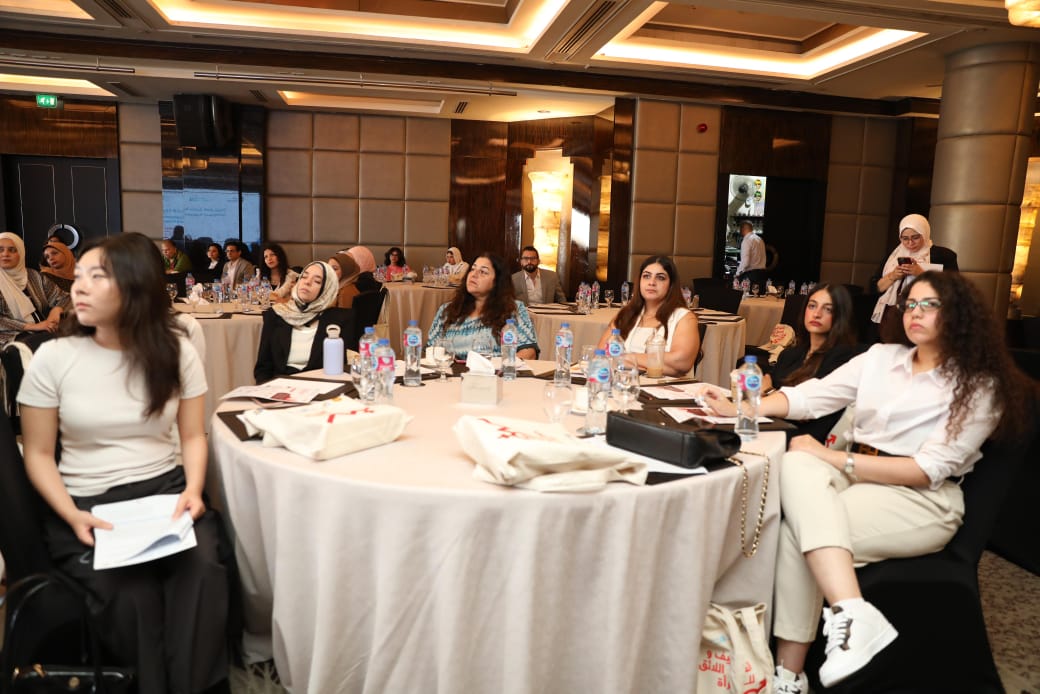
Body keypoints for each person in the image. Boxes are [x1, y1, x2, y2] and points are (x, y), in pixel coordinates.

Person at [703, 271, 1026, 693]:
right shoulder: (881, 359)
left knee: (798, 533)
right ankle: (852, 615)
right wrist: (741, 408)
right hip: (853, 479)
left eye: (930, 305)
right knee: (797, 461)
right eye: (910, 304)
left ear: (959, 315)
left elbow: (925, 469)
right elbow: (810, 397)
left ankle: (789, 676)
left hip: (921, 499)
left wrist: (834, 458)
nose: (915, 313)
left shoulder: (979, 386)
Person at [17, 232, 229, 694]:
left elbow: (193, 435)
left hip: (165, 493)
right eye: (78, 277)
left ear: (135, 286)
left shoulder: (175, 351)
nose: (79, 287)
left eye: (97, 276)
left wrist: (193, 491)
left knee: (203, 573)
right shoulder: (54, 358)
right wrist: (71, 514)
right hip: (86, 502)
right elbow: (37, 453)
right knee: (133, 597)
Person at [759, 284, 865, 442]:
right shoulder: (790, 354)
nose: (817, 314)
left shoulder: (844, 357)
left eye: (828, 309)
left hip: (805, 439)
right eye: (812, 306)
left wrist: (768, 391)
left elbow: (807, 412)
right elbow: (765, 383)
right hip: (771, 427)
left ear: (840, 316)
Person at [596, 255, 700, 377]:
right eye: (646, 276)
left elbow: (681, 362)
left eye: (660, 278)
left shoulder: (684, 318)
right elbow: (601, 355)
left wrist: (628, 358)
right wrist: (658, 365)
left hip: (666, 387)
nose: (651, 282)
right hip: (624, 385)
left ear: (671, 285)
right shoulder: (625, 315)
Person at [254, 261, 354, 383]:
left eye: (317, 281)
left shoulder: (340, 320)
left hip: (321, 385)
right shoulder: (277, 314)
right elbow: (263, 368)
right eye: (304, 277)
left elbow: (343, 368)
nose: (307, 282)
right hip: (280, 386)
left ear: (327, 289)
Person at [428, 252, 538, 359]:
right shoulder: (447, 310)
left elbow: (529, 352)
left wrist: (500, 366)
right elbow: (429, 351)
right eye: (472, 269)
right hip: (450, 370)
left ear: (497, 281)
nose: (474, 275)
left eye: (483, 272)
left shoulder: (513, 309)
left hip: (494, 370)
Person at [872, 213, 958, 344]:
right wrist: (893, 276)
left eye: (915, 237)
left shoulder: (944, 256)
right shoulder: (892, 256)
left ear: (925, 233)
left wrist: (921, 273)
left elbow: (954, 289)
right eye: (905, 239)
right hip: (893, 314)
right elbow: (875, 288)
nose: (910, 243)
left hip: (926, 312)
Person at [0, 232, 70, 349]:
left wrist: (56, 311)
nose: (5, 254)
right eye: (0, 250)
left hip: (45, 329)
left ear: (21, 253)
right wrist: (32, 327)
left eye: (12, 250)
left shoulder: (34, 276)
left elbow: (64, 296)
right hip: (10, 336)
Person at [735, 221, 767, 286]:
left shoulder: (747, 240)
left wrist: (737, 274)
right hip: (762, 274)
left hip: (751, 275)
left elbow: (745, 261)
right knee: (758, 292)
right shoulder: (760, 239)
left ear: (742, 229)